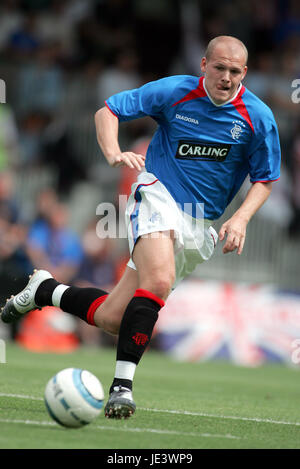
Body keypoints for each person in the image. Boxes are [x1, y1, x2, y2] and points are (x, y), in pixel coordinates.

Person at [1, 36, 281, 419]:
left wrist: (241, 217)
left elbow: (265, 178)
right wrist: (113, 152)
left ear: (244, 73)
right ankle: (121, 388)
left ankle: (45, 290)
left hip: (201, 224)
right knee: (159, 280)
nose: (226, 77)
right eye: (219, 68)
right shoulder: (175, 91)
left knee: (114, 318)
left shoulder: (258, 116)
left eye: (235, 71)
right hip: (158, 195)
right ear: (204, 64)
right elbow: (107, 111)